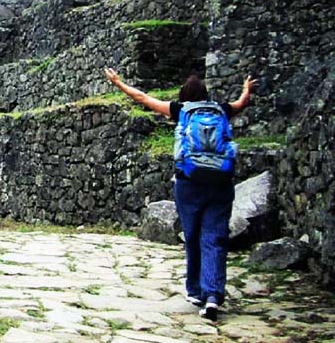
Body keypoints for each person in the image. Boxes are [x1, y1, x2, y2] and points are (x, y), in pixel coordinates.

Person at [103, 68, 256, 321]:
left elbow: (142, 98)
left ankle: (195, 291)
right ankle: (212, 296)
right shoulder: (221, 110)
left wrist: (118, 83)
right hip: (220, 182)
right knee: (215, 238)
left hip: (189, 182)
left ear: (184, 95)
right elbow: (241, 104)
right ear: (206, 95)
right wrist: (246, 89)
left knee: (193, 235)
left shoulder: (180, 110)